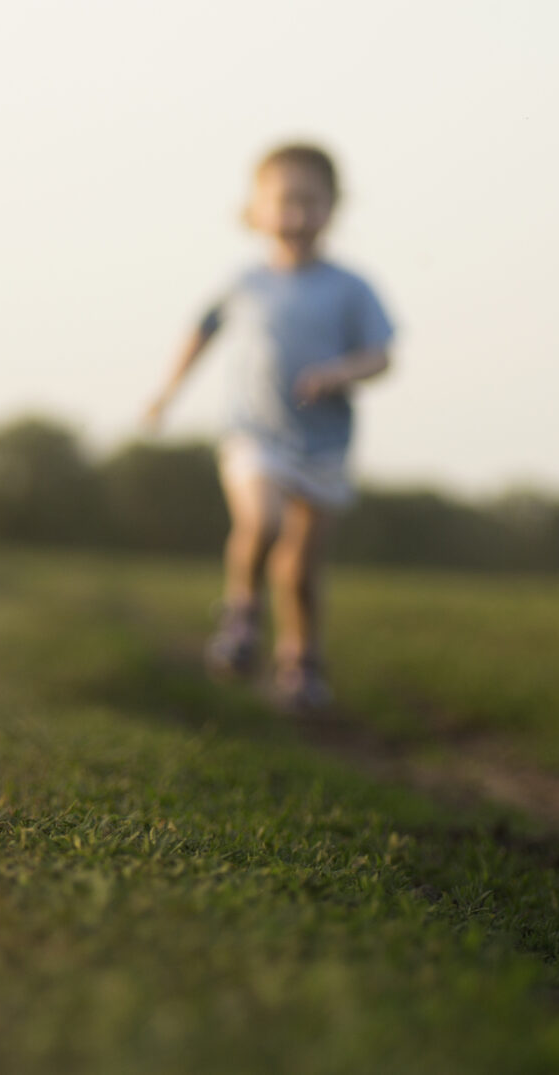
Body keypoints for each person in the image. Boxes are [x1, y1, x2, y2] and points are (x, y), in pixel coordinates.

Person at [142, 143, 396, 713]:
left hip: (325, 444)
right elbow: (200, 333)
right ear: (254, 210)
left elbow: (382, 355)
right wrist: (166, 394)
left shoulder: (350, 287)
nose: (297, 216)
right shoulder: (245, 283)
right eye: (284, 202)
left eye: (311, 202)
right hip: (253, 433)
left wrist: (340, 371)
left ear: (334, 209)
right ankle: (241, 615)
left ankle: (301, 662)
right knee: (263, 520)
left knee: (302, 570)